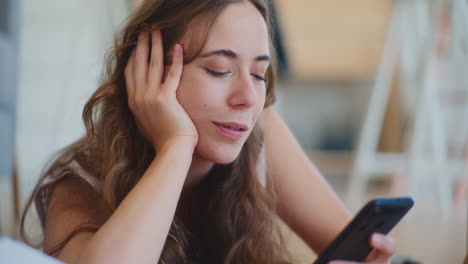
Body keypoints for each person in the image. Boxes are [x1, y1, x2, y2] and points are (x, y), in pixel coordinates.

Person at [21, 0, 396, 263]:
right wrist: (176, 146)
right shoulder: (78, 186)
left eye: (259, 74)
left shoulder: (256, 131)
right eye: (219, 70)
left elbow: (354, 245)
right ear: (147, 70)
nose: (248, 98)